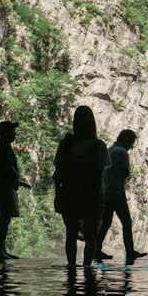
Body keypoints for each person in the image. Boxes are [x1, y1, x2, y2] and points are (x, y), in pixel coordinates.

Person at [53, 105, 107, 268]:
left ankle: (71, 265)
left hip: (69, 193)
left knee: (70, 232)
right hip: (90, 194)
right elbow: (99, 176)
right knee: (91, 235)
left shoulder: (67, 144)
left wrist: (58, 193)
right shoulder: (99, 146)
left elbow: (58, 172)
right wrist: (100, 199)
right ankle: (86, 267)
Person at [97, 128, 147, 265]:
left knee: (106, 222)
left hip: (106, 191)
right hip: (117, 192)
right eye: (132, 143)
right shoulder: (122, 152)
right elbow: (124, 172)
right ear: (128, 141)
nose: (132, 146)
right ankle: (130, 251)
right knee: (126, 221)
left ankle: (96, 249)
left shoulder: (110, 149)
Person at [0, 120, 30, 261]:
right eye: (12, 131)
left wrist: (19, 182)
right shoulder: (3, 147)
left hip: (4, 185)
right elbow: (7, 167)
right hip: (4, 186)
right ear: (4, 133)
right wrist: (16, 179)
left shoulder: (2, 146)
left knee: (4, 219)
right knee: (4, 218)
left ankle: (2, 250)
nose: (14, 134)